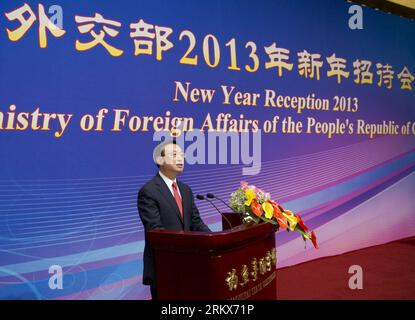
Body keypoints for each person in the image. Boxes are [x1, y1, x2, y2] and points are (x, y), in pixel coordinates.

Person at [137, 140, 211, 300]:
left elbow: (196, 222)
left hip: (191, 263)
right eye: (175, 155)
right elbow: (155, 231)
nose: (180, 159)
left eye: (182, 155)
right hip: (165, 266)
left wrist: (213, 241)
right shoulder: (148, 191)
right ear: (160, 160)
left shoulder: (185, 190)